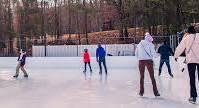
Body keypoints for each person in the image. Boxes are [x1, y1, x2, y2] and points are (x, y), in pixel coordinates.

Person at [174, 26, 199, 104]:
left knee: (192, 79)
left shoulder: (186, 38)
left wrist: (176, 56)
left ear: (188, 32)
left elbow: (180, 47)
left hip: (191, 60)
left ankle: (193, 97)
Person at [135, 32, 160, 97]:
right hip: (149, 61)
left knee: (141, 77)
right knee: (152, 77)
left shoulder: (139, 44)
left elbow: (136, 54)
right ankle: (156, 92)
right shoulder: (150, 44)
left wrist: (140, 58)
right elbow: (154, 55)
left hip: (141, 61)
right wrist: (158, 55)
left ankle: (141, 92)